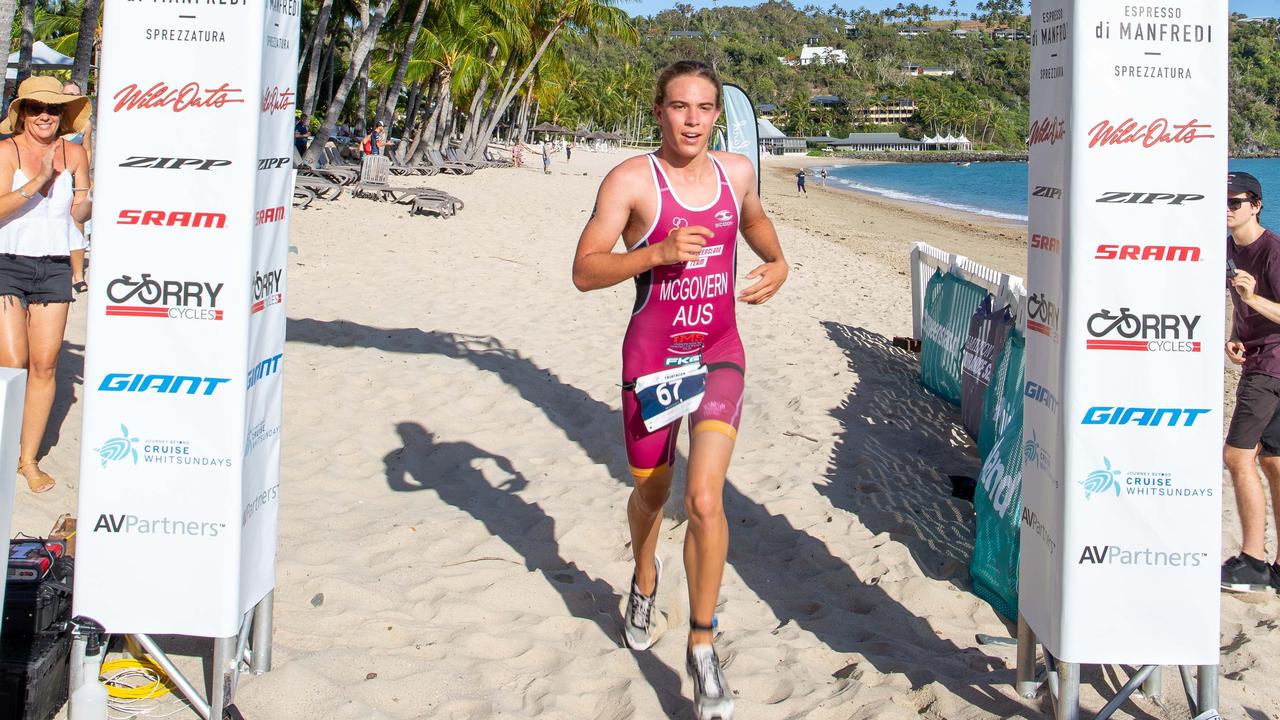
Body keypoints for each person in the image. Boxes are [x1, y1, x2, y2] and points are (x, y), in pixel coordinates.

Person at [572, 59, 787, 719]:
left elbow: (752, 220)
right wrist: (656, 254)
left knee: (703, 499)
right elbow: (585, 269)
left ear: (717, 114)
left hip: (718, 351)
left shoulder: (736, 173)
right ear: (659, 111)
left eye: (704, 108)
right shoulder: (632, 181)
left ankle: (701, 643)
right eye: (679, 107)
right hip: (653, 361)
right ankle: (643, 578)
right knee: (653, 492)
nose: (692, 120)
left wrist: (778, 262)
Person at [0, 77, 91, 493]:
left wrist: (85, 198)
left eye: (53, 109)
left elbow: (80, 212)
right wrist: (38, 181)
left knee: (45, 364)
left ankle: (27, 460)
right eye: (36, 107)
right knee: (13, 362)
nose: (44, 115)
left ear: (63, 115)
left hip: (55, 264)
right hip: (8, 263)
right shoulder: (7, 151)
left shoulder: (75, 152)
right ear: (22, 111)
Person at [1223, 171, 1280, 592]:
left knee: (1237, 457)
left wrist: (1253, 299)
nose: (1227, 209)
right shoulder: (1228, 247)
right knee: (1274, 463)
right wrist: (1235, 333)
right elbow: (1241, 308)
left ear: (1256, 205)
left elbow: (1263, 305)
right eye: (1222, 202)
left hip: (1271, 366)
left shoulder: (1272, 251)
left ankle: (1253, 560)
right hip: (1257, 358)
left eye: (1236, 202)